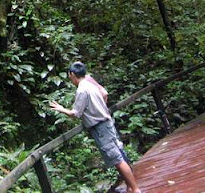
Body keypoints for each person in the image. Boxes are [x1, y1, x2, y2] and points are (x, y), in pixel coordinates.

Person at [50, 62, 142, 193]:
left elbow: (75, 113)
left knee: (117, 159)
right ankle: (130, 188)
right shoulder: (90, 84)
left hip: (100, 128)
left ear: (72, 74)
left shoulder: (82, 90)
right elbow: (104, 94)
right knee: (119, 154)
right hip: (107, 123)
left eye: (69, 76)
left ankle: (135, 189)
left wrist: (61, 109)